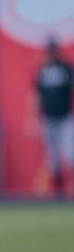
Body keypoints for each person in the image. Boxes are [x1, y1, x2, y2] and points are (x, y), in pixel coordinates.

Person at [35, 38, 73, 197]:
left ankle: (70, 188)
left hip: (65, 116)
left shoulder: (66, 68)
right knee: (52, 157)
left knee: (70, 153)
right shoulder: (42, 70)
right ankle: (58, 190)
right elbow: (36, 95)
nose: (51, 53)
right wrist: (35, 117)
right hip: (48, 118)